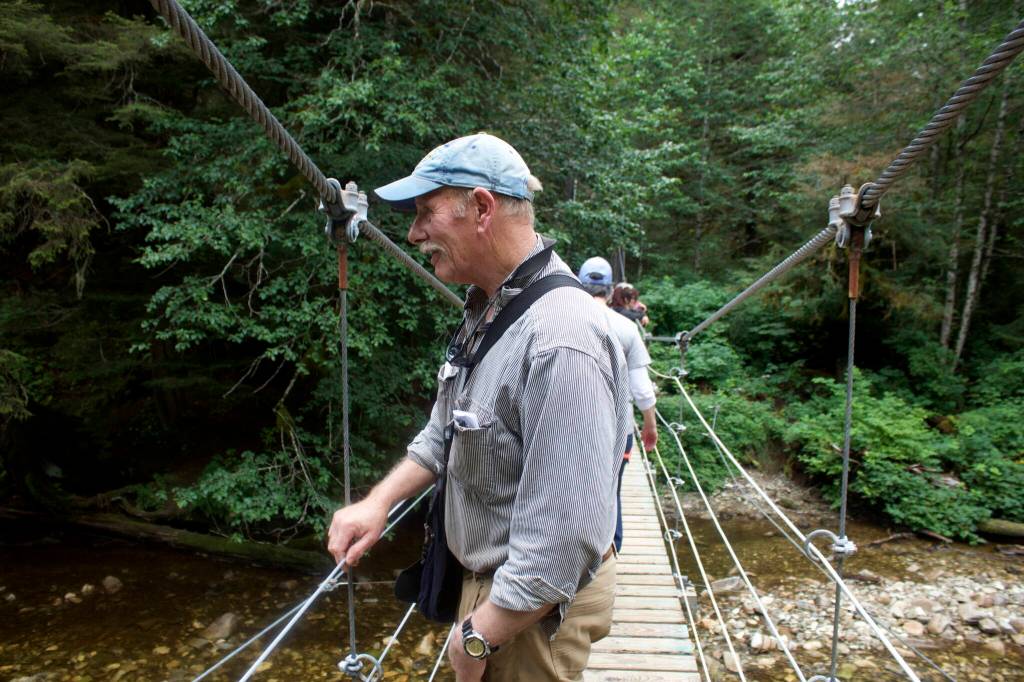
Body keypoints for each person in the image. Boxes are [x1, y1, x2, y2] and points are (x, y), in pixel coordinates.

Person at [326, 133, 631, 682]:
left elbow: (567, 534)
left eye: (426, 212)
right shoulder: (492, 308)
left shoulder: (560, 336)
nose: (414, 233)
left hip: (531, 607)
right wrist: (378, 502)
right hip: (504, 590)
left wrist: (477, 636)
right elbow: (449, 426)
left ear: (483, 208)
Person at [578, 257, 658, 552]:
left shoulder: (561, 321)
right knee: (611, 492)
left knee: (572, 490)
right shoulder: (626, 328)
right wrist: (650, 425)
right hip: (617, 428)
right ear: (610, 292)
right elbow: (641, 388)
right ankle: (608, 557)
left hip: (570, 425)